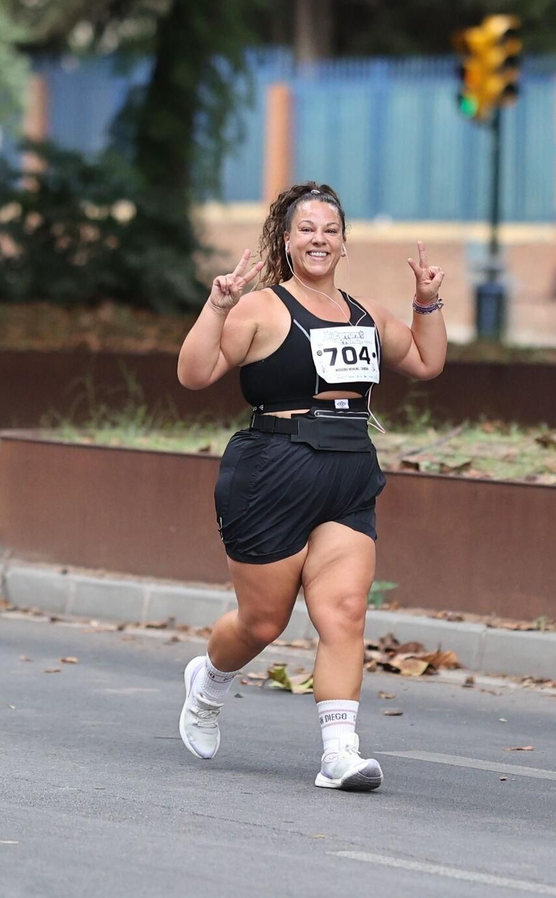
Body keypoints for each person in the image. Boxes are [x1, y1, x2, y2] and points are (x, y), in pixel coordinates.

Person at [174, 181, 447, 791]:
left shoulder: (365, 314)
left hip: (348, 470)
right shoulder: (262, 309)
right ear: (288, 240)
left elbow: (426, 363)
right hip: (273, 469)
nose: (319, 239)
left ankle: (340, 753)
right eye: (306, 229)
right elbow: (195, 375)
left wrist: (426, 302)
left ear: (344, 243)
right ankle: (209, 682)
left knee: (345, 613)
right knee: (262, 623)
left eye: (330, 230)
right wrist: (217, 306)